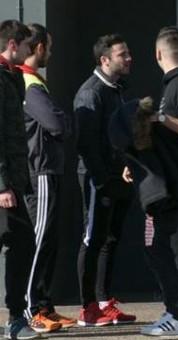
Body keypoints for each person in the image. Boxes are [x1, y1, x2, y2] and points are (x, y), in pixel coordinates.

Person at [122, 26, 178, 338]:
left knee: (170, 250)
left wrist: (160, 117)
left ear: (158, 54)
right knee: (166, 248)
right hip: (169, 181)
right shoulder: (177, 83)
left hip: (177, 185)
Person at [74, 33, 136, 327]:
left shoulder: (118, 89)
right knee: (93, 239)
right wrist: (101, 182)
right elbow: (86, 144)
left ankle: (103, 302)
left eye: (127, 53)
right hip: (99, 179)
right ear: (104, 60)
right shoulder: (91, 93)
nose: (128, 58)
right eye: (122, 54)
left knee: (110, 239)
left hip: (119, 177)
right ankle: (88, 308)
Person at [18, 23, 76, 334]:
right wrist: (63, 120)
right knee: (40, 240)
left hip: (49, 170)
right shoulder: (29, 83)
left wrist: (62, 120)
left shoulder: (36, 82)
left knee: (50, 239)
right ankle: (31, 308)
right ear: (38, 48)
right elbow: (56, 123)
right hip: (39, 170)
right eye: (48, 46)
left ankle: (43, 306)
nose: (50, 52)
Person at [0, 19, 40, 340]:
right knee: (22, 242)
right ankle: (15, 319)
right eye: (26, 45)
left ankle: (15, 317)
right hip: (4, 184)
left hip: (13, 179)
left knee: (21, 242)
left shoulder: (10, 77)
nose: (30, 52)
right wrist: (2, 185)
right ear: (13, 44)